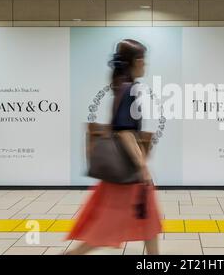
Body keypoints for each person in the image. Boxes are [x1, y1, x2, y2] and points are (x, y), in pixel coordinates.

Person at [65, 39, 162, 255]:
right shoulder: (130, 89)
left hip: (126, 173)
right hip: (127, 174)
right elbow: (124, 131)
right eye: (144, 61)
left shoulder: (121, 86)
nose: (145, 65)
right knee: (105, 229)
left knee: (148, 220)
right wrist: (142, 165)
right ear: (137, 61)